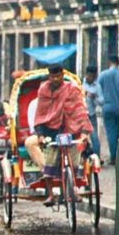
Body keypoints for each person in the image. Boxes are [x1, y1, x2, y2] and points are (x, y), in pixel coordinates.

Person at [24, 64, 92, 207]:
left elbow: (80, 111)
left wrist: (85, 132)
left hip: (70, 129)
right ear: (49, 77)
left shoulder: (71, 89)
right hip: (50, 131)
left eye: (58, 76)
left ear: (62, 74)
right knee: (49, 164)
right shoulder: (43, 90)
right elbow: (40, 115)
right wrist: (41, 135)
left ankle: (74, 190)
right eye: (53, 76)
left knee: (74, 163)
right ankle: (50, 195)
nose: (56, 79)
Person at [97, 55, 119, 165]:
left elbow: (97, 89)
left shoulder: (103, 75)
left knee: (111, 133)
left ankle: (114, 157)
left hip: (106, 106)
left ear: (109, 62)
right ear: (118, 63)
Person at [82, 64, 103, 159]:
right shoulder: (80, 84)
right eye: (91, 76)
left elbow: (102, 101)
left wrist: (95, 98)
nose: (92, 78)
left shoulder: (97, 86)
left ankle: (97, 158)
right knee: (80, 137)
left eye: (95, 77)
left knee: (94, 137)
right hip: (80, 115)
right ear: (87, 74)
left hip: (91, 115)